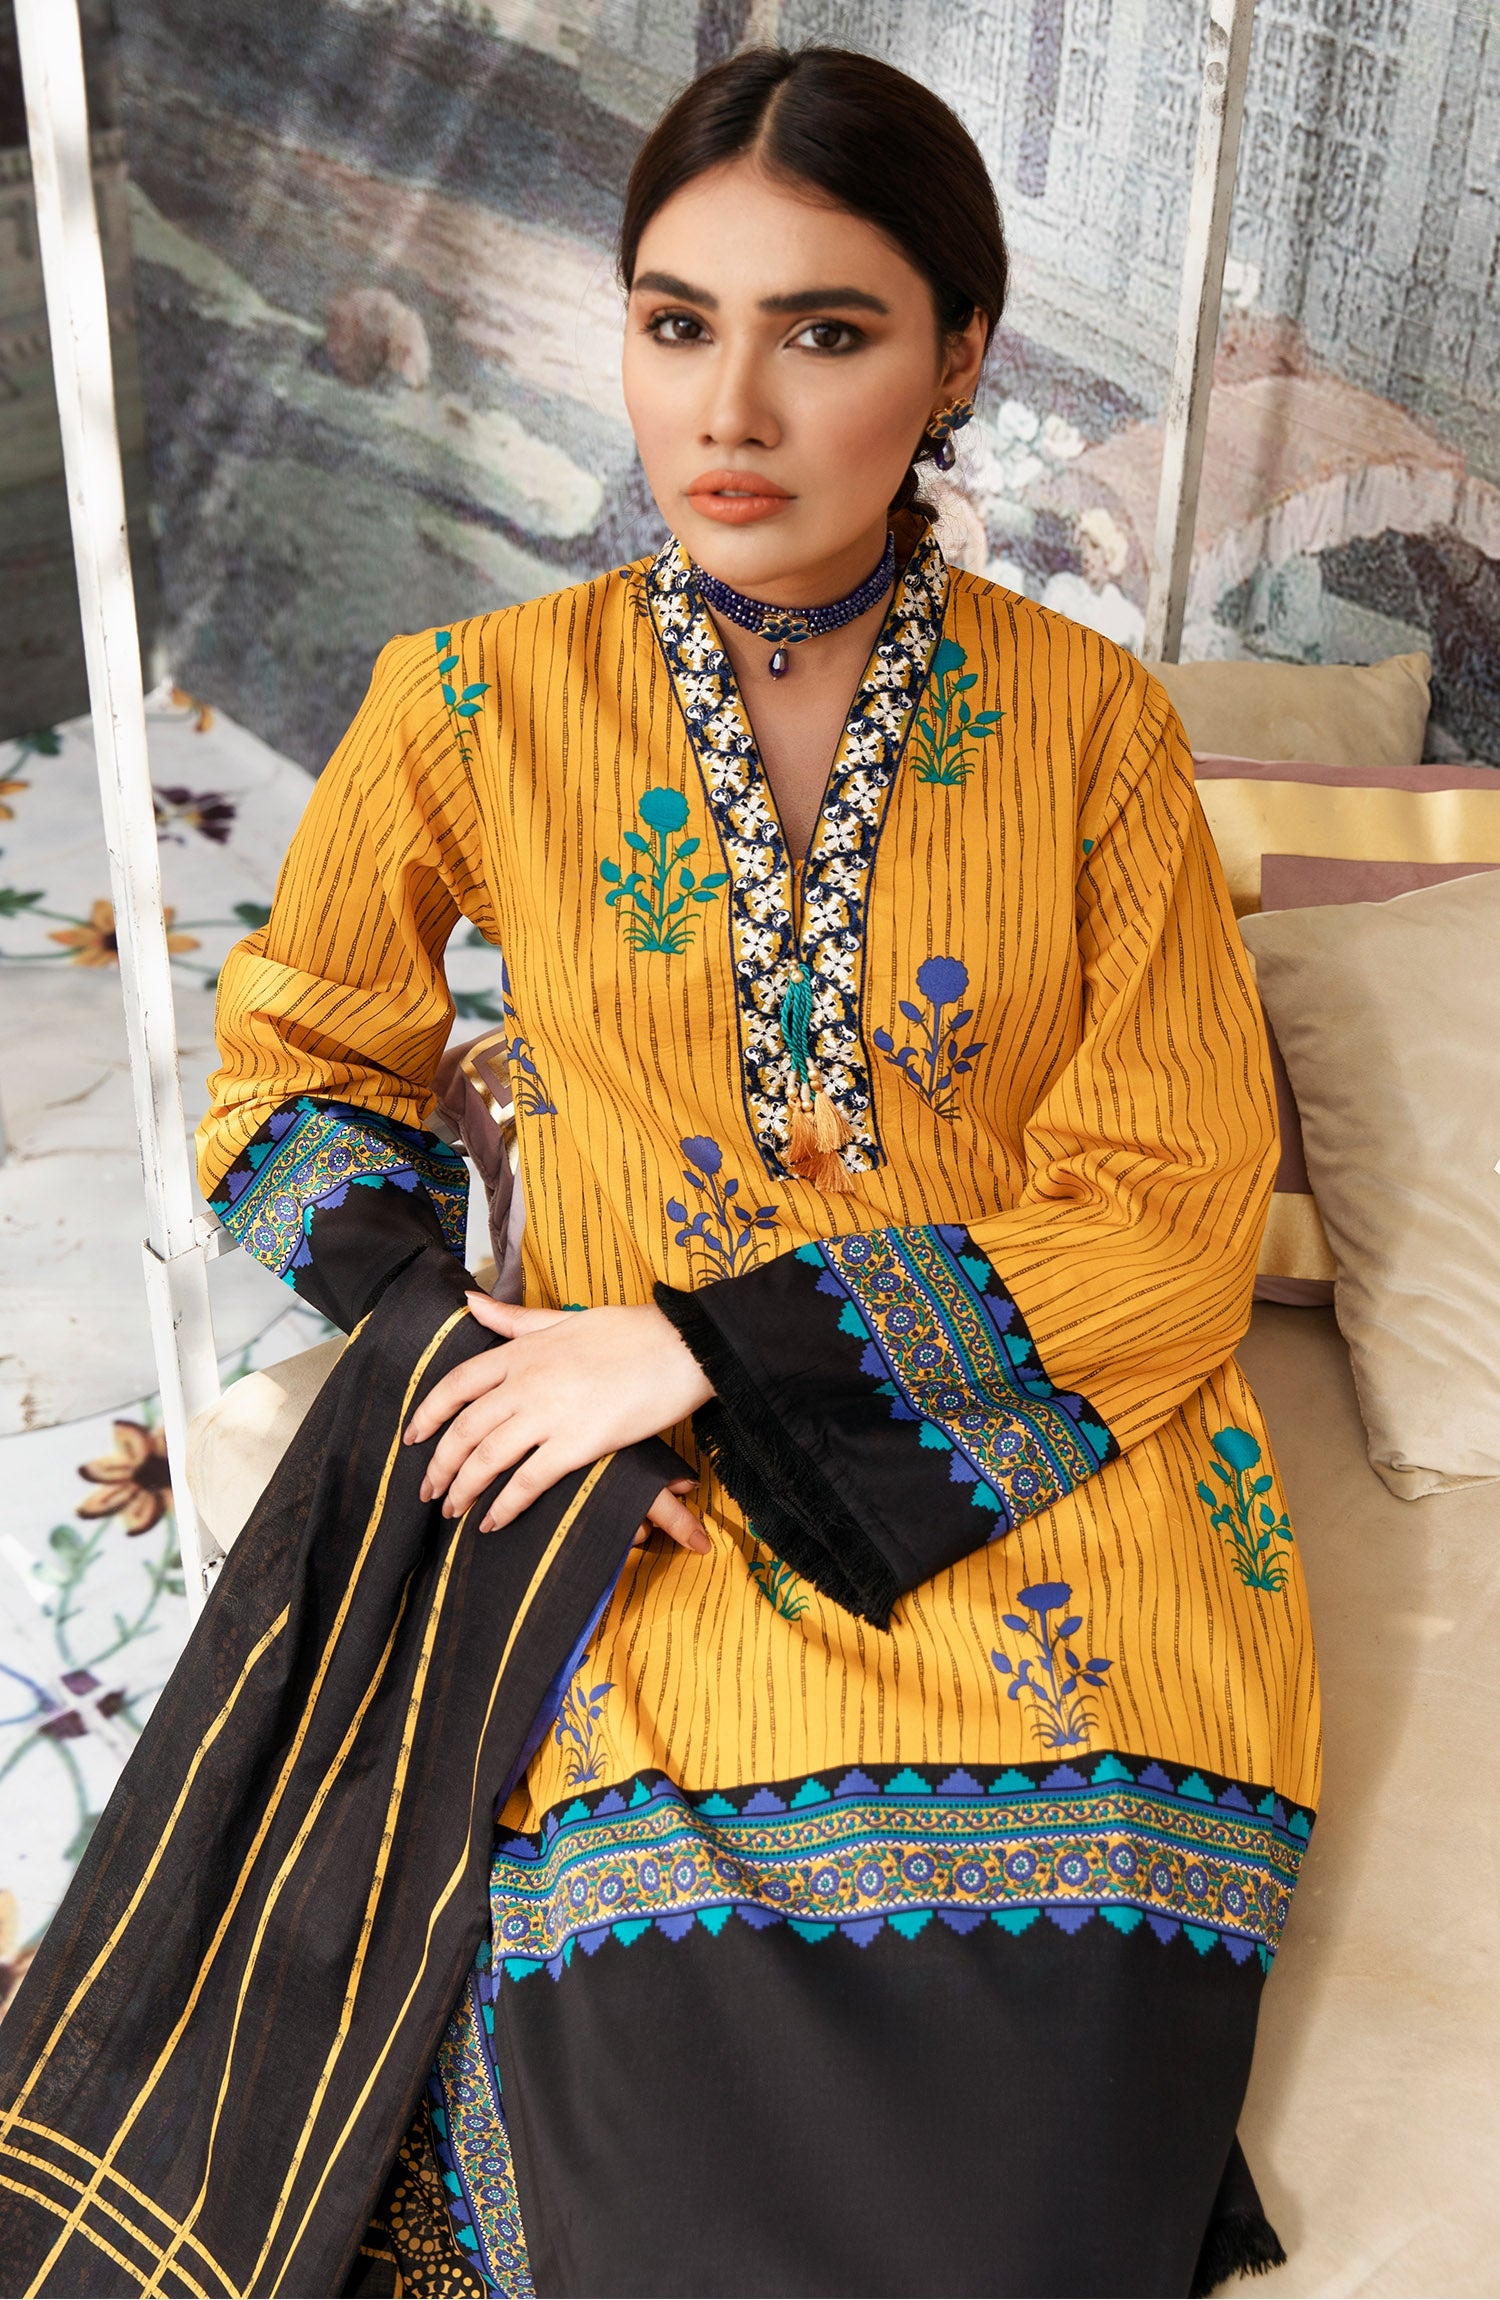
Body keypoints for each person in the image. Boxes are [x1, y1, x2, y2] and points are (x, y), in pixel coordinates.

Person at [12, 45, 1317, 2300]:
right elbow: (291, 1071)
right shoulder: (472, 699)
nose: (731, 409)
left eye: (827, 332)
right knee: (654, 2155)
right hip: (645, 1514)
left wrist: (697, 1346)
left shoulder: (1094, 727)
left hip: (1050, 1486)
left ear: (960, 359)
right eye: (677, 321)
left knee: (1023, 2189)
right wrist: (480, 1358)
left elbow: (1174, 1207)